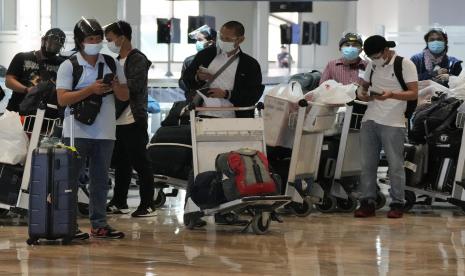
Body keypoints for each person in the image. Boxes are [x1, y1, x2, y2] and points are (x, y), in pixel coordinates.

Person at [56, 18, 129, 239]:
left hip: (106, 131)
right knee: (70, 180)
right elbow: (62, 99)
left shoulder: (111, 62)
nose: (96, 42)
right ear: (80, 41)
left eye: (98, 39)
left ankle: (99, 224)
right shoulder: (69, 65)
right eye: (91, 39)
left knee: (100, 180)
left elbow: (125, 96)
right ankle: (67, 224)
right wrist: (90, 90)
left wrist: (115, 86)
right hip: (76, 131)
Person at [355, 35, 418, 219]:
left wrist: (391, 95)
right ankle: (367, 202)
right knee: (367, 164)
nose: (375, 59)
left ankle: (398, 202)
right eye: (371, 57)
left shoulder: (404, 64)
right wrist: (363, 94)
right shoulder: (372, 64)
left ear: (385, 51)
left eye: (376, 55)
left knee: (395, 165)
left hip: (393, 121)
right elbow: (363, 87)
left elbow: (413, 93)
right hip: (370, 118)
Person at [103, 20, 156, 217]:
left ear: (122, 37)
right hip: (118, 119)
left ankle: (148, 203)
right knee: (121, 163)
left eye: (110, 39)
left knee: (141, 162)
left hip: (134, 117)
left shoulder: (137, 59)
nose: (109, 43)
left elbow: (134, 86)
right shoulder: (117, 60)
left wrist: (115, 85)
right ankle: (119, 201)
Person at [182, 20, 264, 118]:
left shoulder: (250, 64)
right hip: (202, 114)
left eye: (228, 39)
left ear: (240, 40)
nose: (223, 41)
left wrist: (227, 94)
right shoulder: (205, 55)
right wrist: (197, 77)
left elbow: (253, 95)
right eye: (221, 37)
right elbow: (185, 79)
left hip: (235, 118)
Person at [5, 28, 66, 112]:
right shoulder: (22, 57)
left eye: (57, 46)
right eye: (51, 44)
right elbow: (9, 81)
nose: (53, 48)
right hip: (18, 110)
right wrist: (27, 90)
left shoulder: (63, 64)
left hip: (47, 114)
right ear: (43, 40)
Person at [179, 25, 217, 101]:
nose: (197, 43)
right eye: (196, 40)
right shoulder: (190, 60)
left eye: (200, 40)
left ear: (210, 42)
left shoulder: (219, 59)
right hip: (194, 100)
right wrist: (196, 79)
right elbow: (182, 82)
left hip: (215, 99)